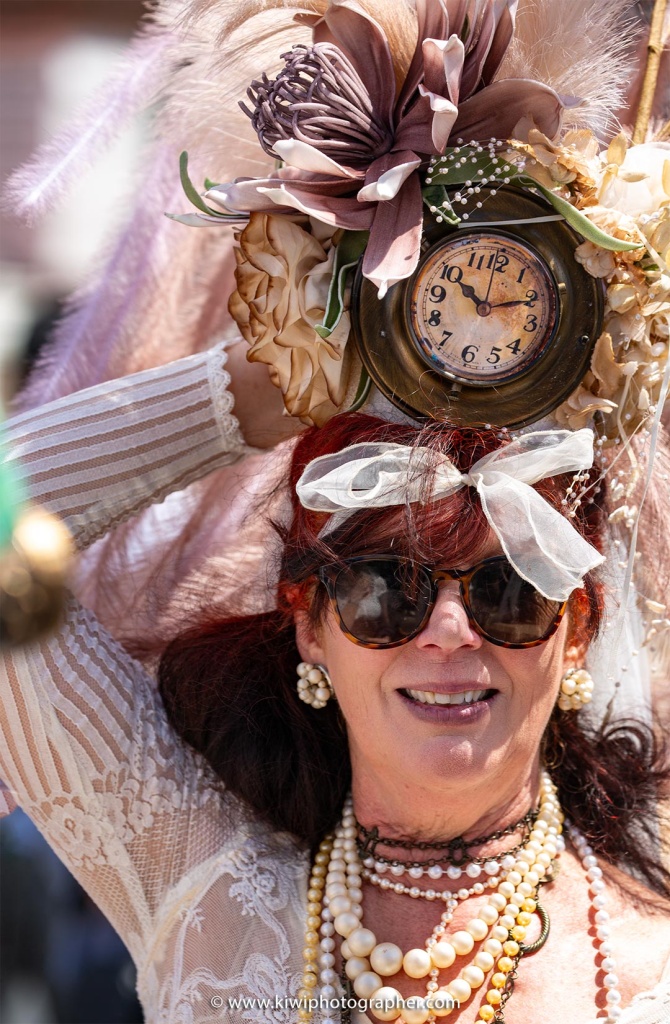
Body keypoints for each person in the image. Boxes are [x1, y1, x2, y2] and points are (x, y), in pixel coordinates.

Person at [2, 1, 670, 1023]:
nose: (449, 632)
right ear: (310, 627)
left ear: (575, 628)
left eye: (507, 591)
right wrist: (251, 391)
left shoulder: (648, 963)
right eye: (384, 591)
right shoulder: (198, 885)